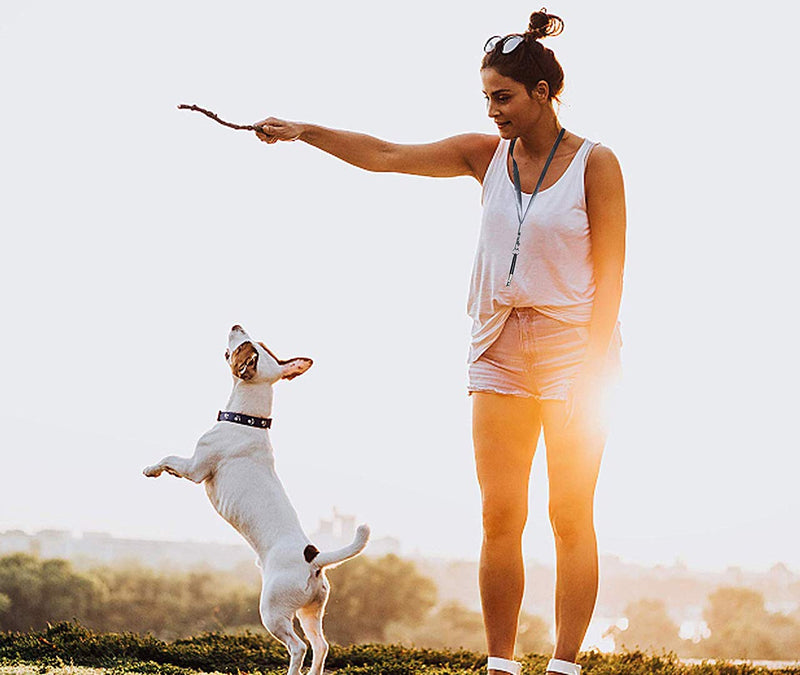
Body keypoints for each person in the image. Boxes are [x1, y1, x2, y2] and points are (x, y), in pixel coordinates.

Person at [253, 9, 625, 675]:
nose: (492, 111)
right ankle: (501, 663)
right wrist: (304, 131)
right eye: (486, 98)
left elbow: (612, 276)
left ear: (541, 94)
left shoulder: (596, 164)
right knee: (500, 515)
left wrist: (592, 375)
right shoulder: (484, 155)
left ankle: (566, 664)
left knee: (570, 514)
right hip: (498, 347)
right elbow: (387, 155)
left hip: (576, 354)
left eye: (503, 97)